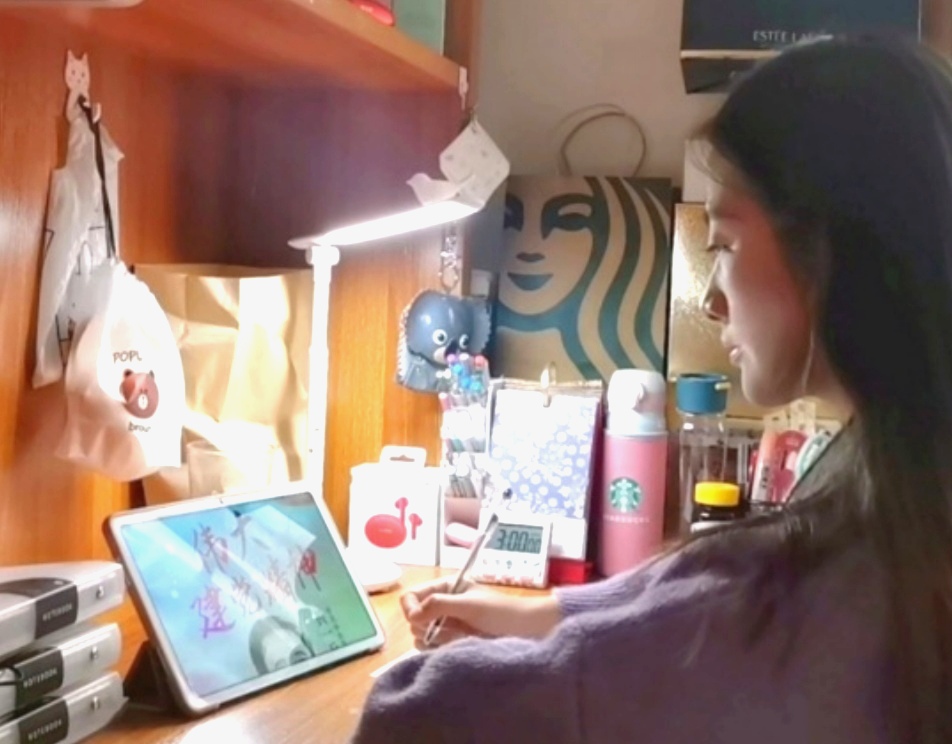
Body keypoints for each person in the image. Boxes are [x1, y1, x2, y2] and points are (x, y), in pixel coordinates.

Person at [351, 35, 952, 744]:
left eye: (724, 244)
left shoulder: (794, 594)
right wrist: (537, 616)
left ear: (826, 249)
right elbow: (677, 597)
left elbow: (411, 717)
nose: (713, 302)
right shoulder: (901, 499)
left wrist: (456, 664)